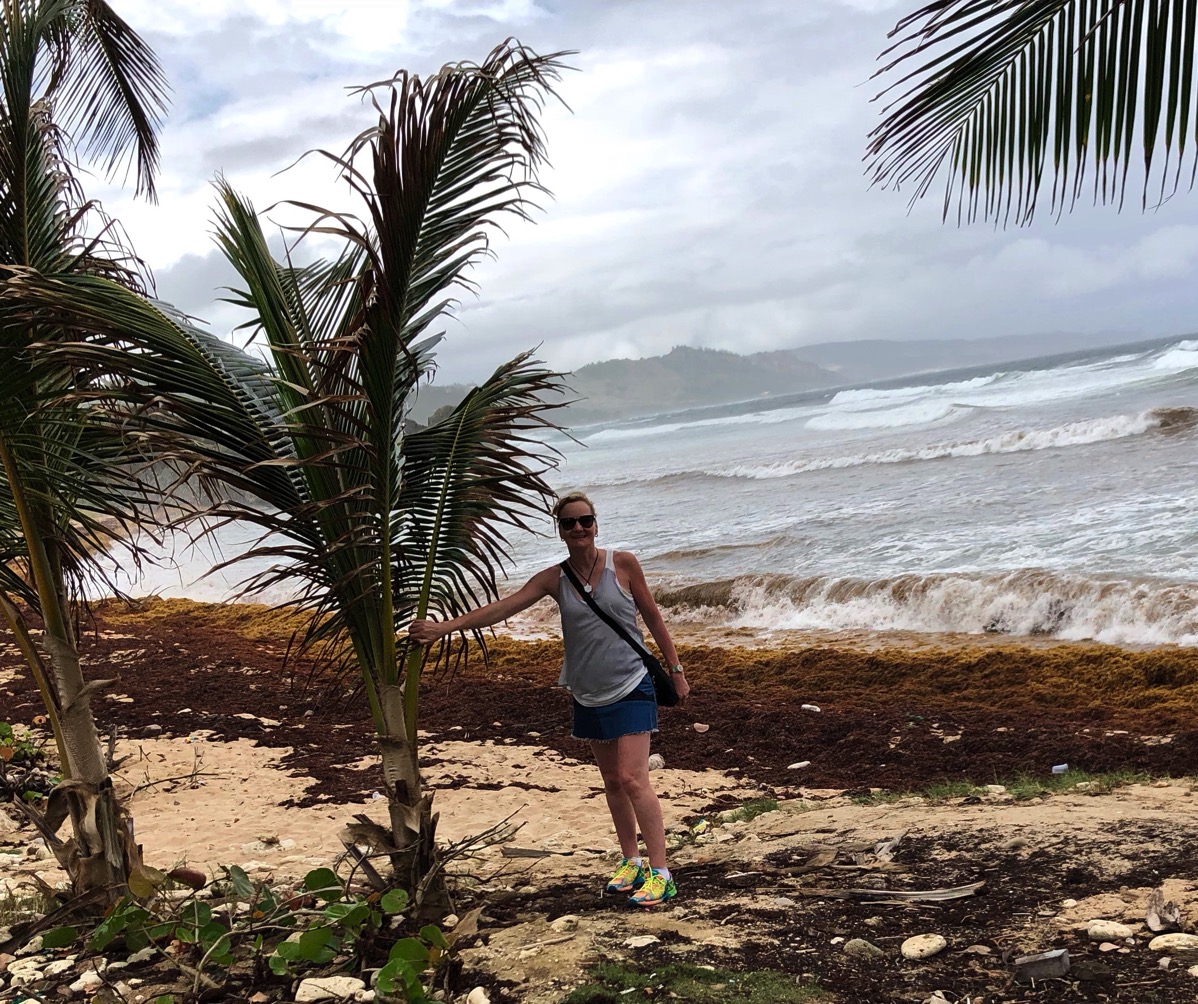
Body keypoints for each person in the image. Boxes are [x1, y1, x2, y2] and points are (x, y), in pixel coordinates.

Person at [408, 491, 690, 907]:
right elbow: (503, 608)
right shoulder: (553, 579)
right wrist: (444, 627)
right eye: (569, 523)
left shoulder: (623, 563)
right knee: (611, 781)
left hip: (632, 682)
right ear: (559, 530)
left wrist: (676, 669)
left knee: (633, 778)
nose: (579, 528)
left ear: (596, 524)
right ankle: (632, 861)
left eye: (586, 521)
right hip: (587, 690)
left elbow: (652, 616)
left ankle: (662, 871)